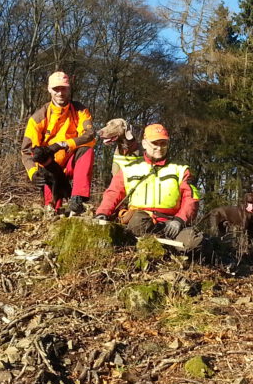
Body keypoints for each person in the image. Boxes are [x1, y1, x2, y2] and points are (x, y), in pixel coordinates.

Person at [94, 124, 204, 252]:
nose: (159, 147)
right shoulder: (129, 168)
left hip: (172, 223)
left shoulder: (181, 169)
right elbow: (113, 193)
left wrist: (179, 220)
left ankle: (169, 249)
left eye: (163, 143)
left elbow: (191, 198)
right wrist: (102, 213)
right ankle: (157, 247)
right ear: (145, 144)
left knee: (193, 242)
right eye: (155, 143)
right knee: (137, 221)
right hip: (140, 219)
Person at [20, 72, 95, 216]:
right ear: (49, 89)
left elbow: (89, 135)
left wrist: (62, 144)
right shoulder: (37, 118)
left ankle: (77, 198)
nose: (60, 93)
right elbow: (27, 150)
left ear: (69, 89)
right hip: (49, 167)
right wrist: (33, 173)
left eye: (63, 89)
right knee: (52, 211)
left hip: (72, 162)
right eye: (56, 89)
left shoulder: (81, 111)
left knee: (87, 150)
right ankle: (52, 207)